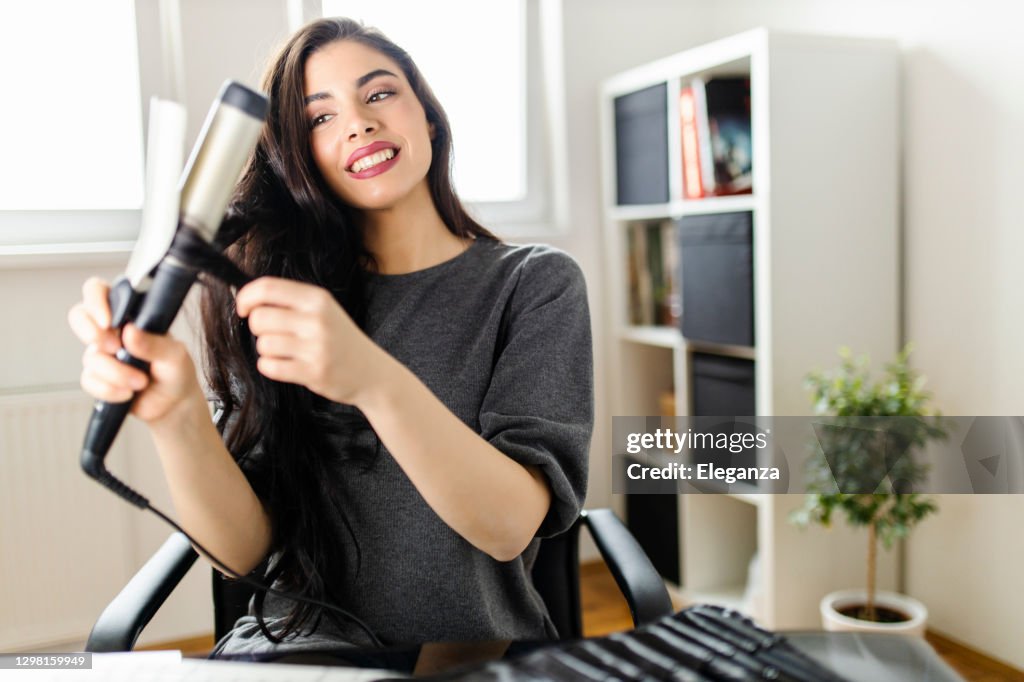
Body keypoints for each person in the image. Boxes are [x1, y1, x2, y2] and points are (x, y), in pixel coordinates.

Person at [67, 16, 593, 673]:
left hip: (465, 655)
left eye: (378, 94)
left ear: (427, 116)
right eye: (319, 118)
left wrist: (372, 379)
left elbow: (509, 524)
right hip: (298, 652)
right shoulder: (276, 295)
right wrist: (177, 419)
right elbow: (242, 552)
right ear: (297, 158)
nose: (358, 122)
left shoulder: (534, 283)